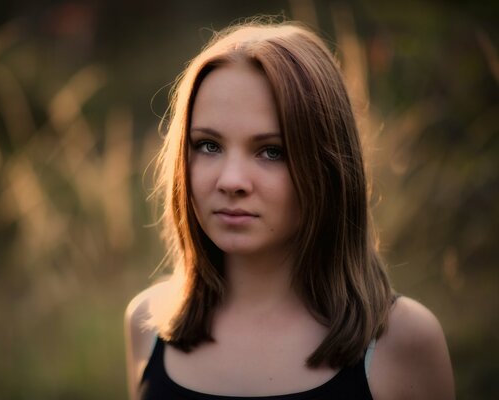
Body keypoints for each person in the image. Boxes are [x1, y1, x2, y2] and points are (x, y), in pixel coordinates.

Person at [124, 20, 454, 400]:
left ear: (327, 167)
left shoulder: (403, 341)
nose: (231, 181)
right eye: (208, 145)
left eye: (271, 151)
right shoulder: (148, 324)